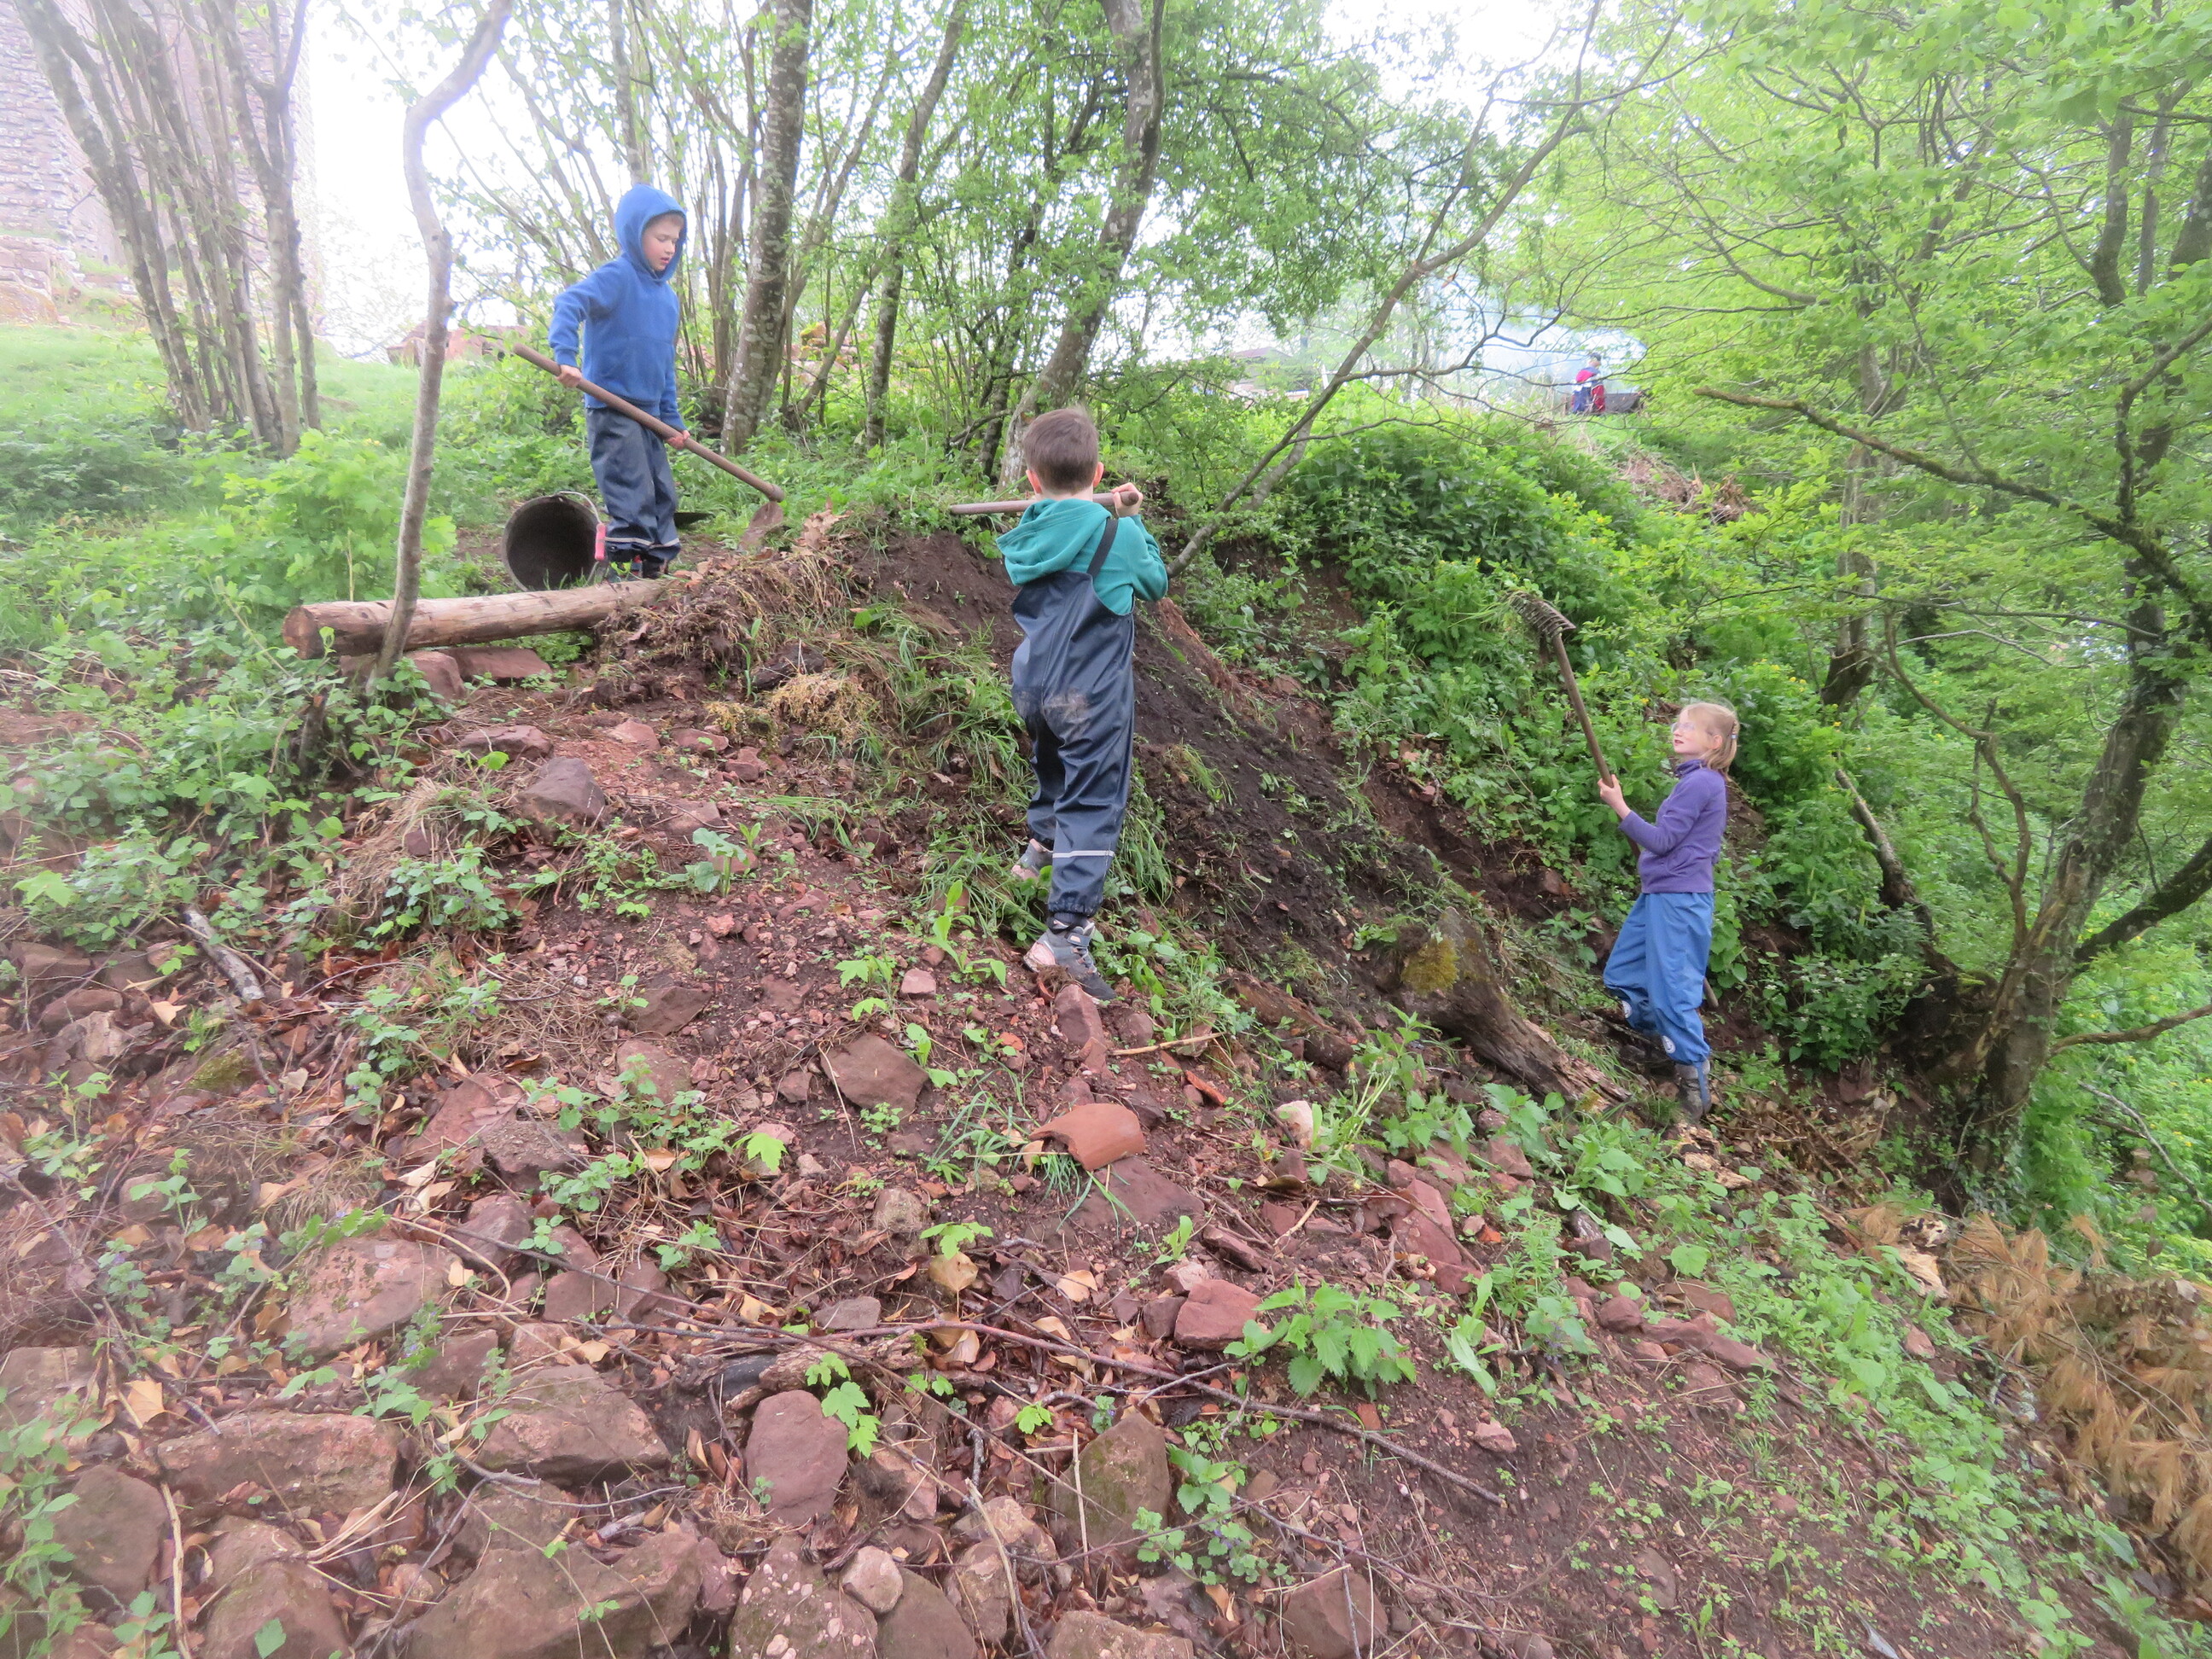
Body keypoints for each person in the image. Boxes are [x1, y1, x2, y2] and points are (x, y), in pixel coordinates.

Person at [997, 406, 1169, 1003]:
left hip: (1034, 685)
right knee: (1094, 800)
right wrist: (1132, 518)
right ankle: (1065, 936)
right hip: (1091, 694)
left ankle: (1039, 850)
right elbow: (1155, 583)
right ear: (1097, 474)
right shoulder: (1117, 534)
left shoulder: (1029, 530)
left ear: (1032, 480)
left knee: (1051, 758)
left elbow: (1054, 521)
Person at [1596, 701, 1741, 1121]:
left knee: (1673, 994)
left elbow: (1662, 841)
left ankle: (1694, 1087)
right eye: (1678, 724)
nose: (1678, 730)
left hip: (1679, 901)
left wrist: (1619, 806)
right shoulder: (1696, 780)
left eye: (1689, 727)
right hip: (1661, 894)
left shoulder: (1702, 783)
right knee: (1623, 975)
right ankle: (1665, 1048)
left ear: (1714, 741)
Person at [549, 185, 687, 580]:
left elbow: (664, 365)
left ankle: (654, 576)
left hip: (649, 415)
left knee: (662, 496)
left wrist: (672, 421)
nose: (670, 248)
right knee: (632, 496)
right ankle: (623, 579)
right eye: (661, 238)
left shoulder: (668, 300)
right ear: (635, 233)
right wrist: (565, 356)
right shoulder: (618, 277)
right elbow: (569, 303)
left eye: (675, 240)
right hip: (612, 407)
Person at [1572, 351, 1602, 415]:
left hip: (1577, 409)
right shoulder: (1596, 374)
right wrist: (1599, 409)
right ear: (1597, 361)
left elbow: (1574, 393)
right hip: (1590, 411)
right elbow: (1598, 392)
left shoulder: (1580, 373)